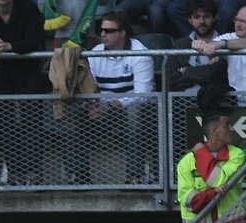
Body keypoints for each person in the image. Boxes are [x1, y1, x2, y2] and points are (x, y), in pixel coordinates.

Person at [0, 0, 46, 185]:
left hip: (27, 70)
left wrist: (9, 47)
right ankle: (14, 173)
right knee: (4, 121)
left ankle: (34, 172)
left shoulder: (28, 7)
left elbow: (34, 41)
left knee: (31, 120)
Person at [87, 11, 155, 184]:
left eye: (109, 31)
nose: (103, 34)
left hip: (133, 112)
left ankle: (135, 176)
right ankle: (78, 176)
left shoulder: (140, 53)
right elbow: (90, 88)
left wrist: (111, 106)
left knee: (135, 112)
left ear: (123, 33)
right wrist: (92, 105)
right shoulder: (95, 53)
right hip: (102, 110)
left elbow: (142, 95)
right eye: (101, 30)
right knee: (72, 114)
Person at [176, 111, 246, 223]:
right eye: (227, 125)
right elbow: (188, 200)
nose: (232, 129)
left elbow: (217, 180)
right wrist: (213, 193)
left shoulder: (236, 154)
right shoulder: (186, 162)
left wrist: (201, 152)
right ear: (215, 131)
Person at [192, 4, 246, 107]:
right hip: (238, 106)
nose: (237, 24)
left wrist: (223, 44)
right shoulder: (230, 36)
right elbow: (211, 45)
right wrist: (200, 45)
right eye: (236, 20)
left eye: (243, 21)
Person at [167, 0, 229, 98]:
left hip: (215, 102)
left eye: (206, 16)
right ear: (189, 20)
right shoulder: (180, 45)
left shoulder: (224, 42)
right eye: (196, 17)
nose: (202, 22)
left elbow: (219, 76)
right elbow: (171, 79)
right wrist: (206, 71)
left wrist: (185, 71)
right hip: (182, 104)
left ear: (214, 18)